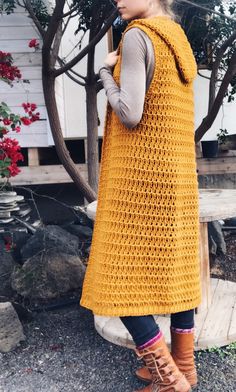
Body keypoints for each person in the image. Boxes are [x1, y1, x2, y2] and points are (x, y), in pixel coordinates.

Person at [80, 1, 201, 391]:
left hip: (141, 181)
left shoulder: (137, 36)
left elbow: (131, 113)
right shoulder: (177, 36)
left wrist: (104, 71)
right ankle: (184, 362)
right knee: (178, 270)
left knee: (115, 277)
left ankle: (170, 380)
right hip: (177, 173)